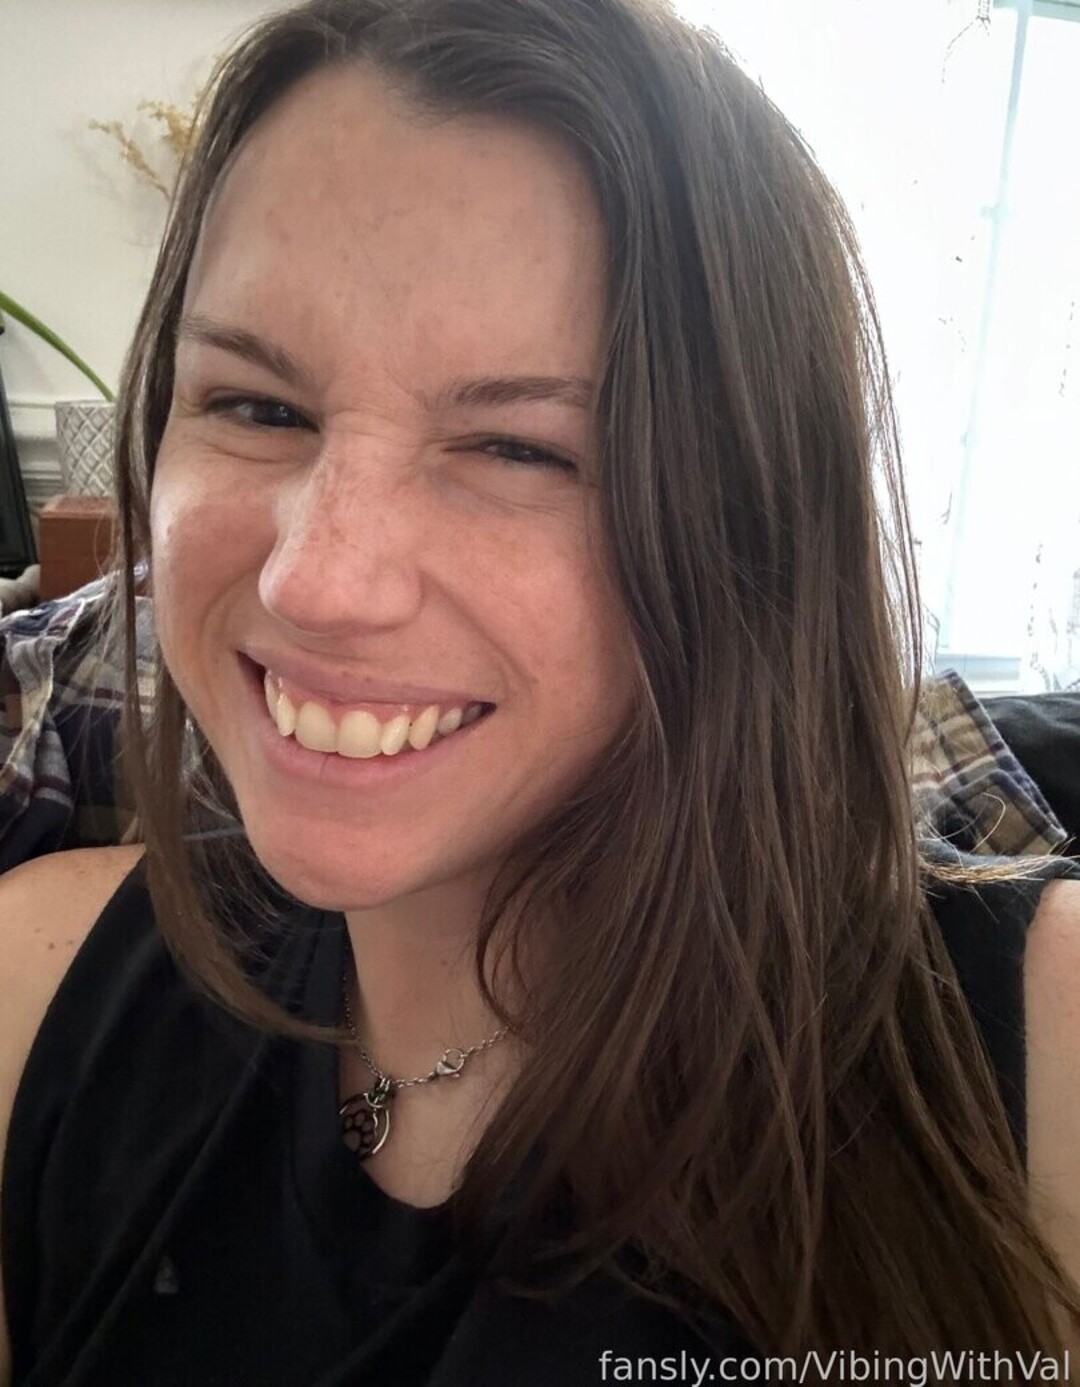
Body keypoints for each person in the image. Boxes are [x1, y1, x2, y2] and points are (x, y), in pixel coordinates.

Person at [2, 0, 1080, 1380]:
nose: (318, 580)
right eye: (258, 408)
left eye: (520, 448)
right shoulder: (35, 994)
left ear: (752, 524)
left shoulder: (1035, 1067)